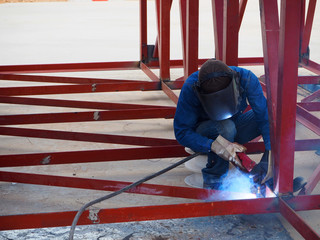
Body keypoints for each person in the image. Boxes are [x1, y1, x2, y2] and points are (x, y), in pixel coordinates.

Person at [174, 59, 271, 189]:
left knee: (270, 114)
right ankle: (213, 180)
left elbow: (264, 117)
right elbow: (182, 132)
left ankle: (270, 173)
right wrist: (213, 145)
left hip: (234, 127)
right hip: (205, 133)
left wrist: (269, 156)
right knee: (226, 127)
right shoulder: (191, 87)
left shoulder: (246, 78)